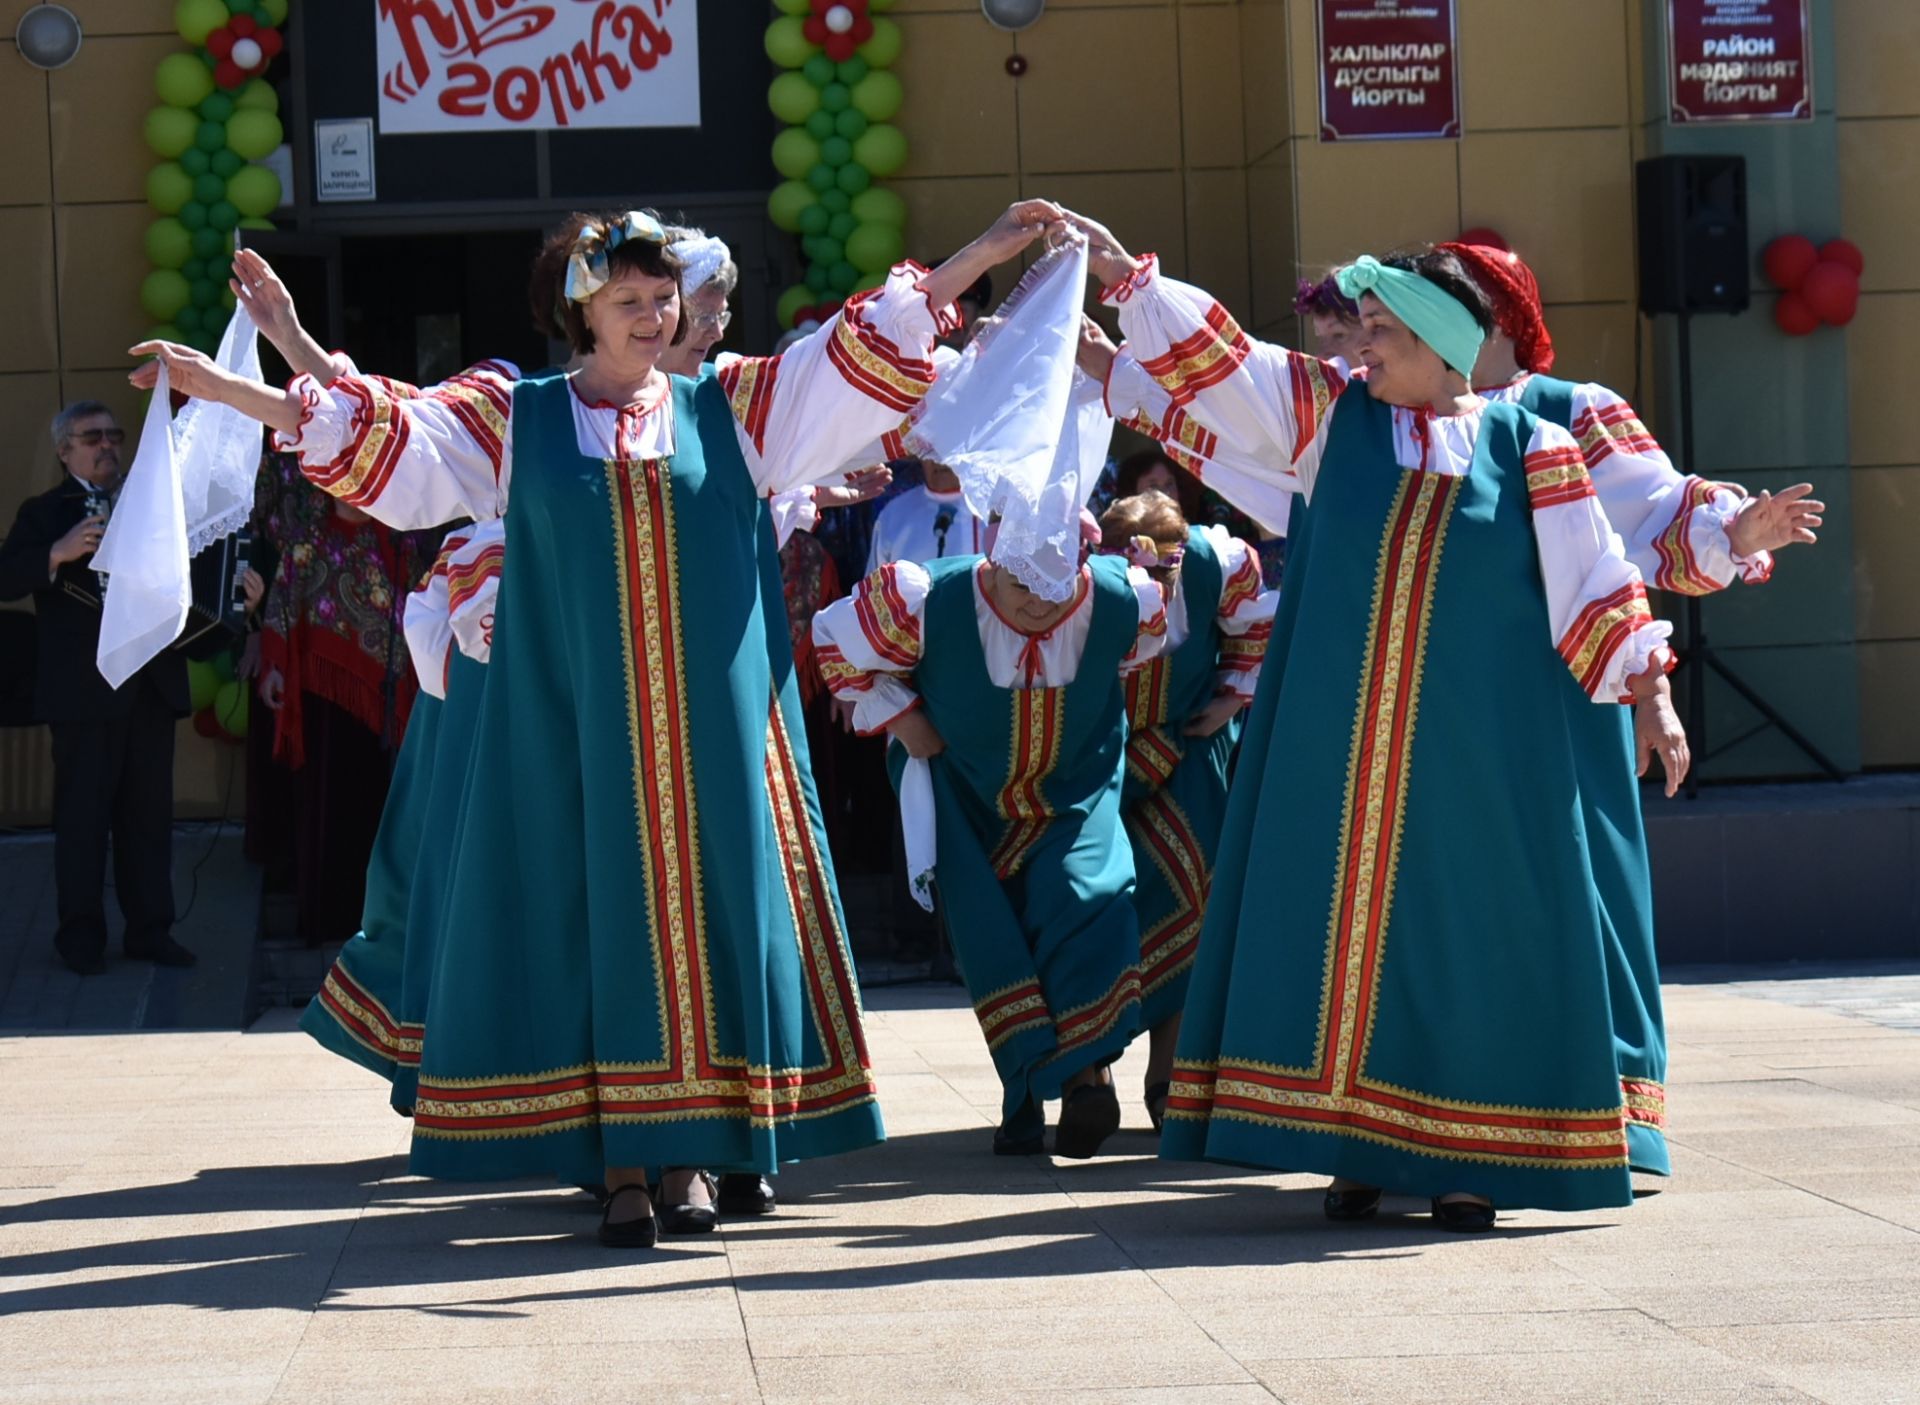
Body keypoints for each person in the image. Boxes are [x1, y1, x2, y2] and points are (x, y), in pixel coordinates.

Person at [134, 199, 1066, 1247]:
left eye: (664, 299)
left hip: (714, 744)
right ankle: (623, 1164)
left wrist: (977, 254)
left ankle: (700, 1155)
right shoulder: (516, 419)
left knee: (710, 930)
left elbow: (854, 358)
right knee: (599, 935)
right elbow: (389, 439)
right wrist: (251, 370)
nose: (654, 317)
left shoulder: (736, 408)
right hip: (580, 739)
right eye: (629, 300)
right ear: (582, 311)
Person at [1080, 219, 1690, 1230]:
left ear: (1444, 341)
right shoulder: (1328, 420)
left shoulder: (1533, 448)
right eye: (1358, 329)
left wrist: (1652, 694)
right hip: (1343, 751)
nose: (1358, 347)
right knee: (1344, 938)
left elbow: (1598, 590)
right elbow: (1224, 364)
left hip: (1481, 758)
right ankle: (1356, 1148)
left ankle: (1467, 1162)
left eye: (1380, 331)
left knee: (1466, 940)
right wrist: (1124, 279)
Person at [1439, 238, 1823, 1176]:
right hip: (1442, 698)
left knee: (1583, 889)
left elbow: (1651, 522)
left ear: (1490, 317)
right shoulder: (1401, 408)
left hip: (1569, 690)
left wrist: (1733, 529)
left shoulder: (1570, 411)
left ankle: (1605, 1109)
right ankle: (1446, 1113)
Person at [0, 403, 205, 974]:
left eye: (115, 435)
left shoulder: (151, 507)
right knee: (83, 820)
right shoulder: (44, 512)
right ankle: (81, 938)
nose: (108, 445)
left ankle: (151, 930)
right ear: (65, 450)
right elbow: (5, 574)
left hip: (148, 689)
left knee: (148, 820)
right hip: (83, 695)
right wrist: (56, 553)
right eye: (93, 437)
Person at [1096, 490, 1274, 1131]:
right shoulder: (1082, 581)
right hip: (1099, 760)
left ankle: (1169, 1076)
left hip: (1189, 745)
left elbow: (1256, 628)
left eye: (1164, 575)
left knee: (1191, 898)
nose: (1155, 589)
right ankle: (1093, 1071)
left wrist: (1230, 698)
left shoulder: (1218, 563)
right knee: (1099, 908)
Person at [865, 457, 987, 571]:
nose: (938, 458)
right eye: (930, 448)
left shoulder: (995, 508)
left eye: (944, 448)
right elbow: (873, 588)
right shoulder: (894, 514)